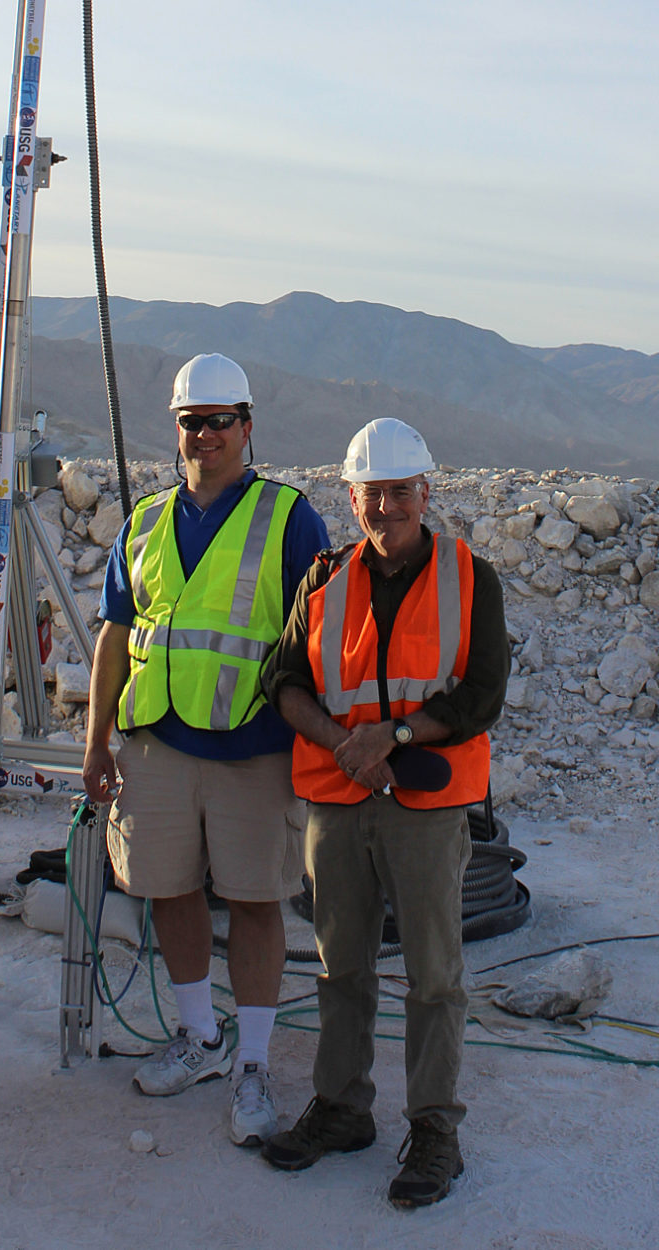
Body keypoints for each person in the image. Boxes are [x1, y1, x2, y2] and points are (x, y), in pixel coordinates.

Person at [260, 417, 509, 1209]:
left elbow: (480, 695)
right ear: (353, 497)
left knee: (434, 975)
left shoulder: (473, 578)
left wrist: (393, 735)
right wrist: (344, 743)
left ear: (426, 493)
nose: (387, 508)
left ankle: (435, 1129)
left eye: (401, 492)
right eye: (373, 494)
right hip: (340, 801)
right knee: (343, 968)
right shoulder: (327, 579)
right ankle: (341, 1109)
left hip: (426, 807)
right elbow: (283, 679)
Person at [82, 354, 330, 1146]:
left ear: (247, 427)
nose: (206, 434)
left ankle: (252, 1062)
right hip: (156, 742)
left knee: (257, 902)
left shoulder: (290, 517)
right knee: (169, 889)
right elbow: (115, 638)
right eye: (193, 421)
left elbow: (318, 638)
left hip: (253, 748)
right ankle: (200, 1036)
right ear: (178, 428)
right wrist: (95, 742)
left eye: (221, 420)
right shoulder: (147, 522)